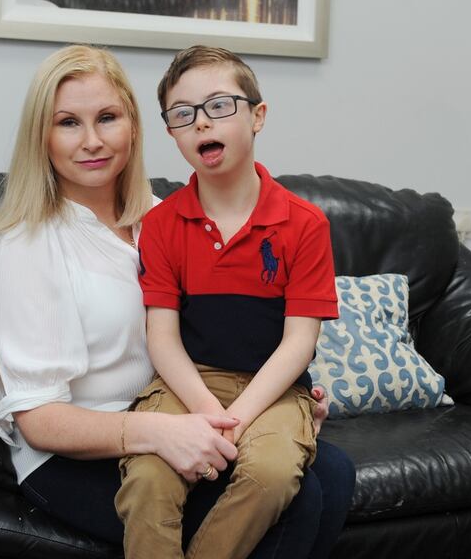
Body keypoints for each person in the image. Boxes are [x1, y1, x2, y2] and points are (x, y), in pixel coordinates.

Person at [0, 44, 354, 558]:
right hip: (76, 451)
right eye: (68, 123)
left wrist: (285, 408)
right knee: (300, 503)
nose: (93, 141)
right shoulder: (24, 247)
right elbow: (38, 420)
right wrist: (157, 432)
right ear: (42, 137)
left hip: (183, 409)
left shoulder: (162, 216)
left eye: (108, 117)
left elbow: (230, 332)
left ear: (135, 124)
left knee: (333, 471)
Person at [116, 45, 340, 559]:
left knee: (272, 473)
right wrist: (203, 409)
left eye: (219, 105)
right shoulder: (162, 223)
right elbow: (162, 336)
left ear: (257, 116)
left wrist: (234, 419)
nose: (200, 123)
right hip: (188, 379)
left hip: (273, 389)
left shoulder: (305, 224)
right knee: (149, 476)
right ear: (171, 132)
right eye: (182, 114)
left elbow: (299, 341)